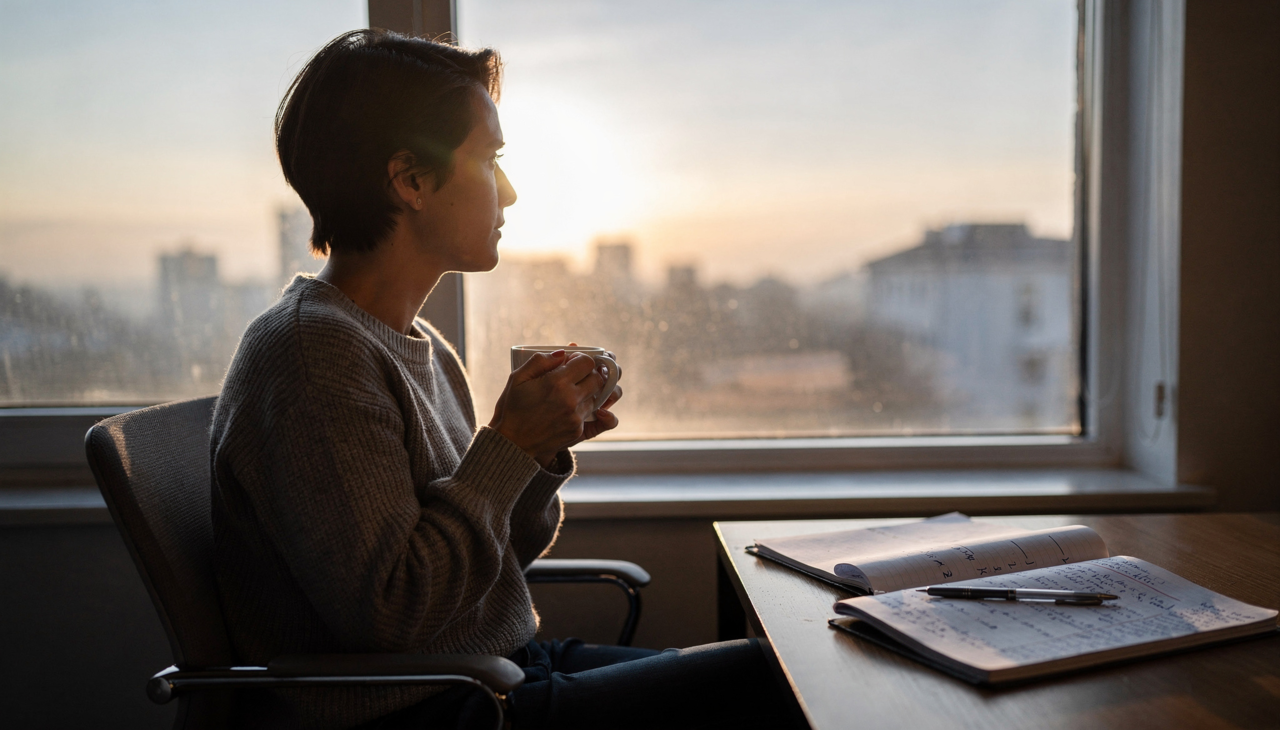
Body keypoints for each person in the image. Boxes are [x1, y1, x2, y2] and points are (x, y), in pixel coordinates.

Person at [210, 29, 798, 729]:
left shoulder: (416, 344)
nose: (511, 191)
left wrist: (539, 451)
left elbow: (488, 562)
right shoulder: (313, 356)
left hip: (496, 668)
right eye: (490, 160)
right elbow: (392, 614)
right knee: (772, 682)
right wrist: (507, 448)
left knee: (776, 666)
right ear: (411, 180)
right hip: (423, 710)